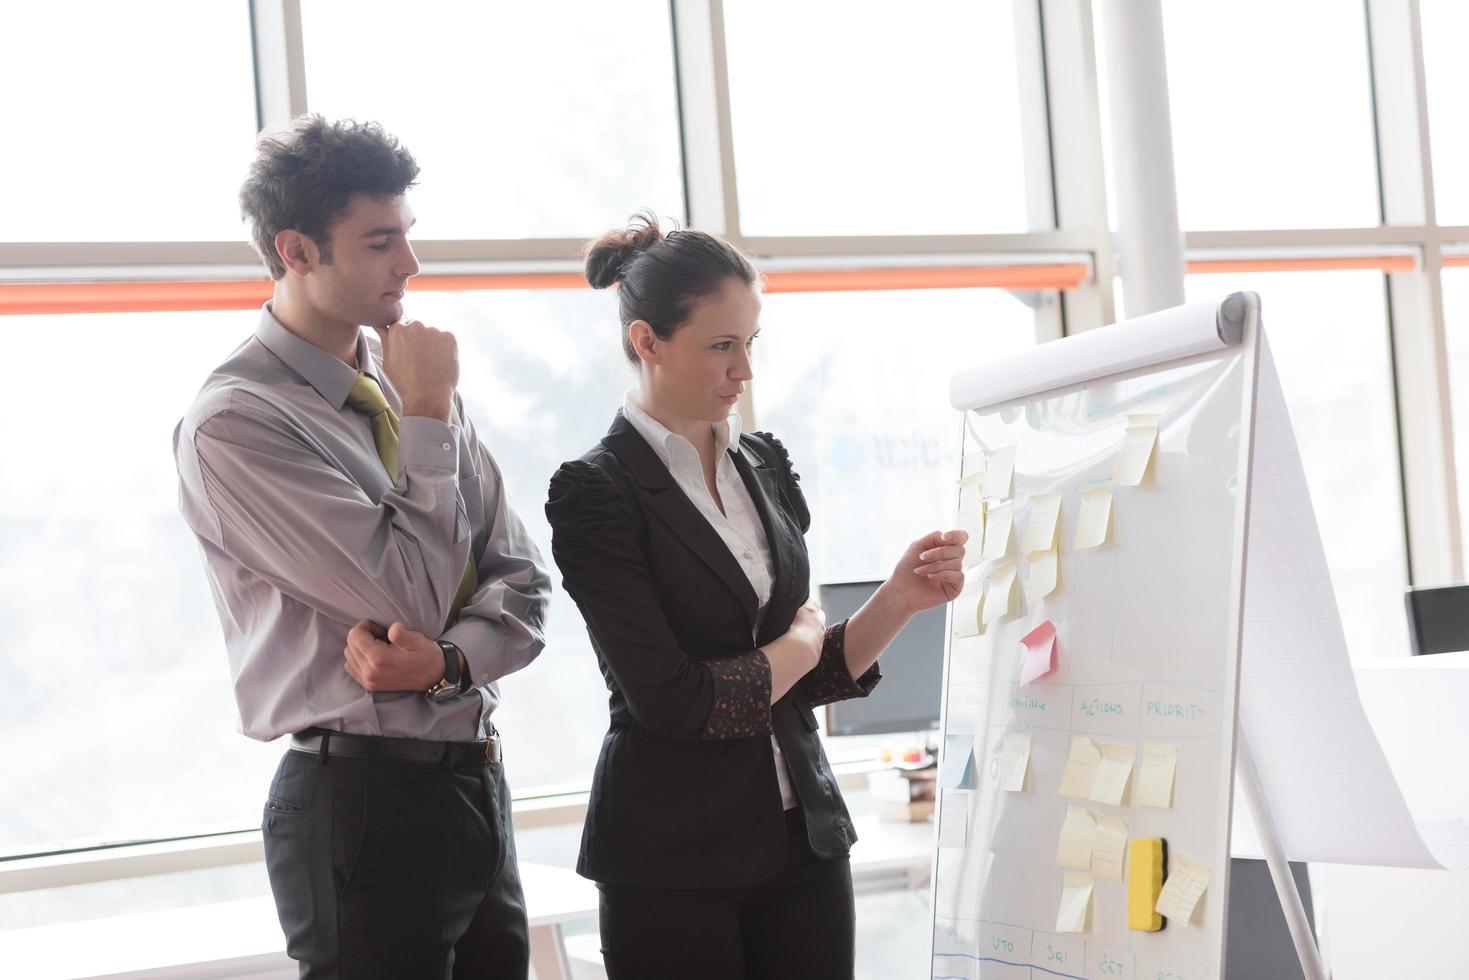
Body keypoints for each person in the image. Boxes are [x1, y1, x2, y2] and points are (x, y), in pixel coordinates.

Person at [173, 116, 550, 979]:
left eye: (407, 237)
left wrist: (448, 664)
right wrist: (425, 412)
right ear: (296, 250)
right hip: (359, 805)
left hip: (473, 783)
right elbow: (411, 597)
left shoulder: (408, 384)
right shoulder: (238, 423)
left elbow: (525, 585)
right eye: (381, 243)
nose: (409, 267)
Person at [544, 212, 967, 979]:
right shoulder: (595, 493)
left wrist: (896, 600)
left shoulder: (762, 463)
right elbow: (672, 700)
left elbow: (796, 682)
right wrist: (800, 645)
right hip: (669, 860)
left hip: (801, 837)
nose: (744, 371)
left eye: (750, 343)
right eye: (720, 346)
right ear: (645, 341)